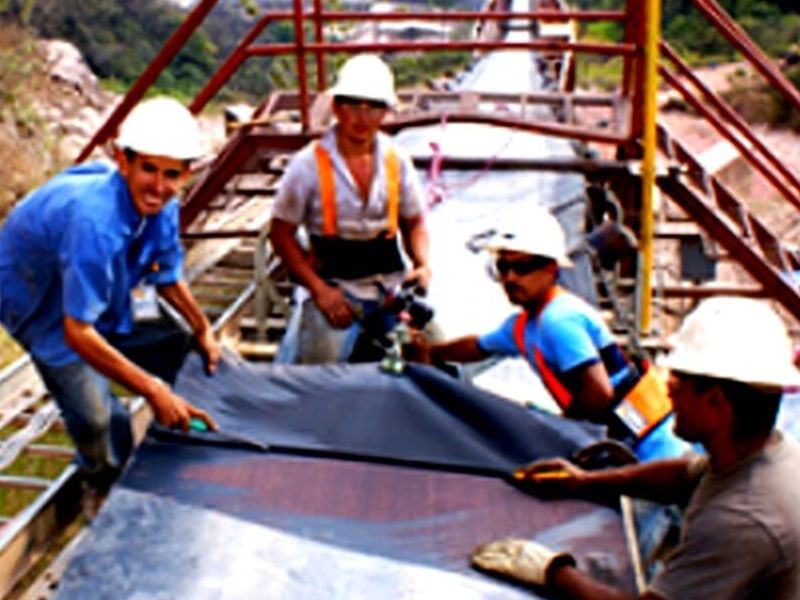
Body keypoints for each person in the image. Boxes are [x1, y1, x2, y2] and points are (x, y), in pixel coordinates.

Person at [471, 296, 800, 599]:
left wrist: (554, 572)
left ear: (715, 401)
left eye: (678, 381)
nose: (667, 390)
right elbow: (685, 474)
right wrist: (583, 481)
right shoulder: (764, 451)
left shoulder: (740, 521)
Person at [0, 96, 218, 494]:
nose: (158, 185)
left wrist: (203, 327)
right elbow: (77, 331)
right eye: (148, 169)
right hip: (40, 299)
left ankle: (192, 437)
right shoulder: (94, 222)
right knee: (99, 420)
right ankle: (101, 484)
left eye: (171, 174)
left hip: (106, 284)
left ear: (187, 175)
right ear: (123, 161)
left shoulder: (163, 204)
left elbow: (167, 275)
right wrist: (152, 389)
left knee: (185, 349)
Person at [406, 204, 684, 462]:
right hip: (637, 444)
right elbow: (478, 346)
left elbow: (598, 392)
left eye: (523, 267)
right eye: (504, 267)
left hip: (654, 447)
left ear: (550, 269)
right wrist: (431, 352)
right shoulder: (525, 325)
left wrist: (558, 432)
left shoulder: (558, 320)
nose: (511, 278)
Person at [269, 53, 431, 364]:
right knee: (320, 368)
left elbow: (415, 221)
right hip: (336, 288)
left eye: (373, 107)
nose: (362, 116)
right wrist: (319, 290)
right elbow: (281, 235)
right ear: (336, 107)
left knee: (432, 354)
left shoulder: (397, 160)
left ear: (385, 112)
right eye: (353, 105)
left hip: (389, 288)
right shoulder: (307, 165)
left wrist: (422, 264)